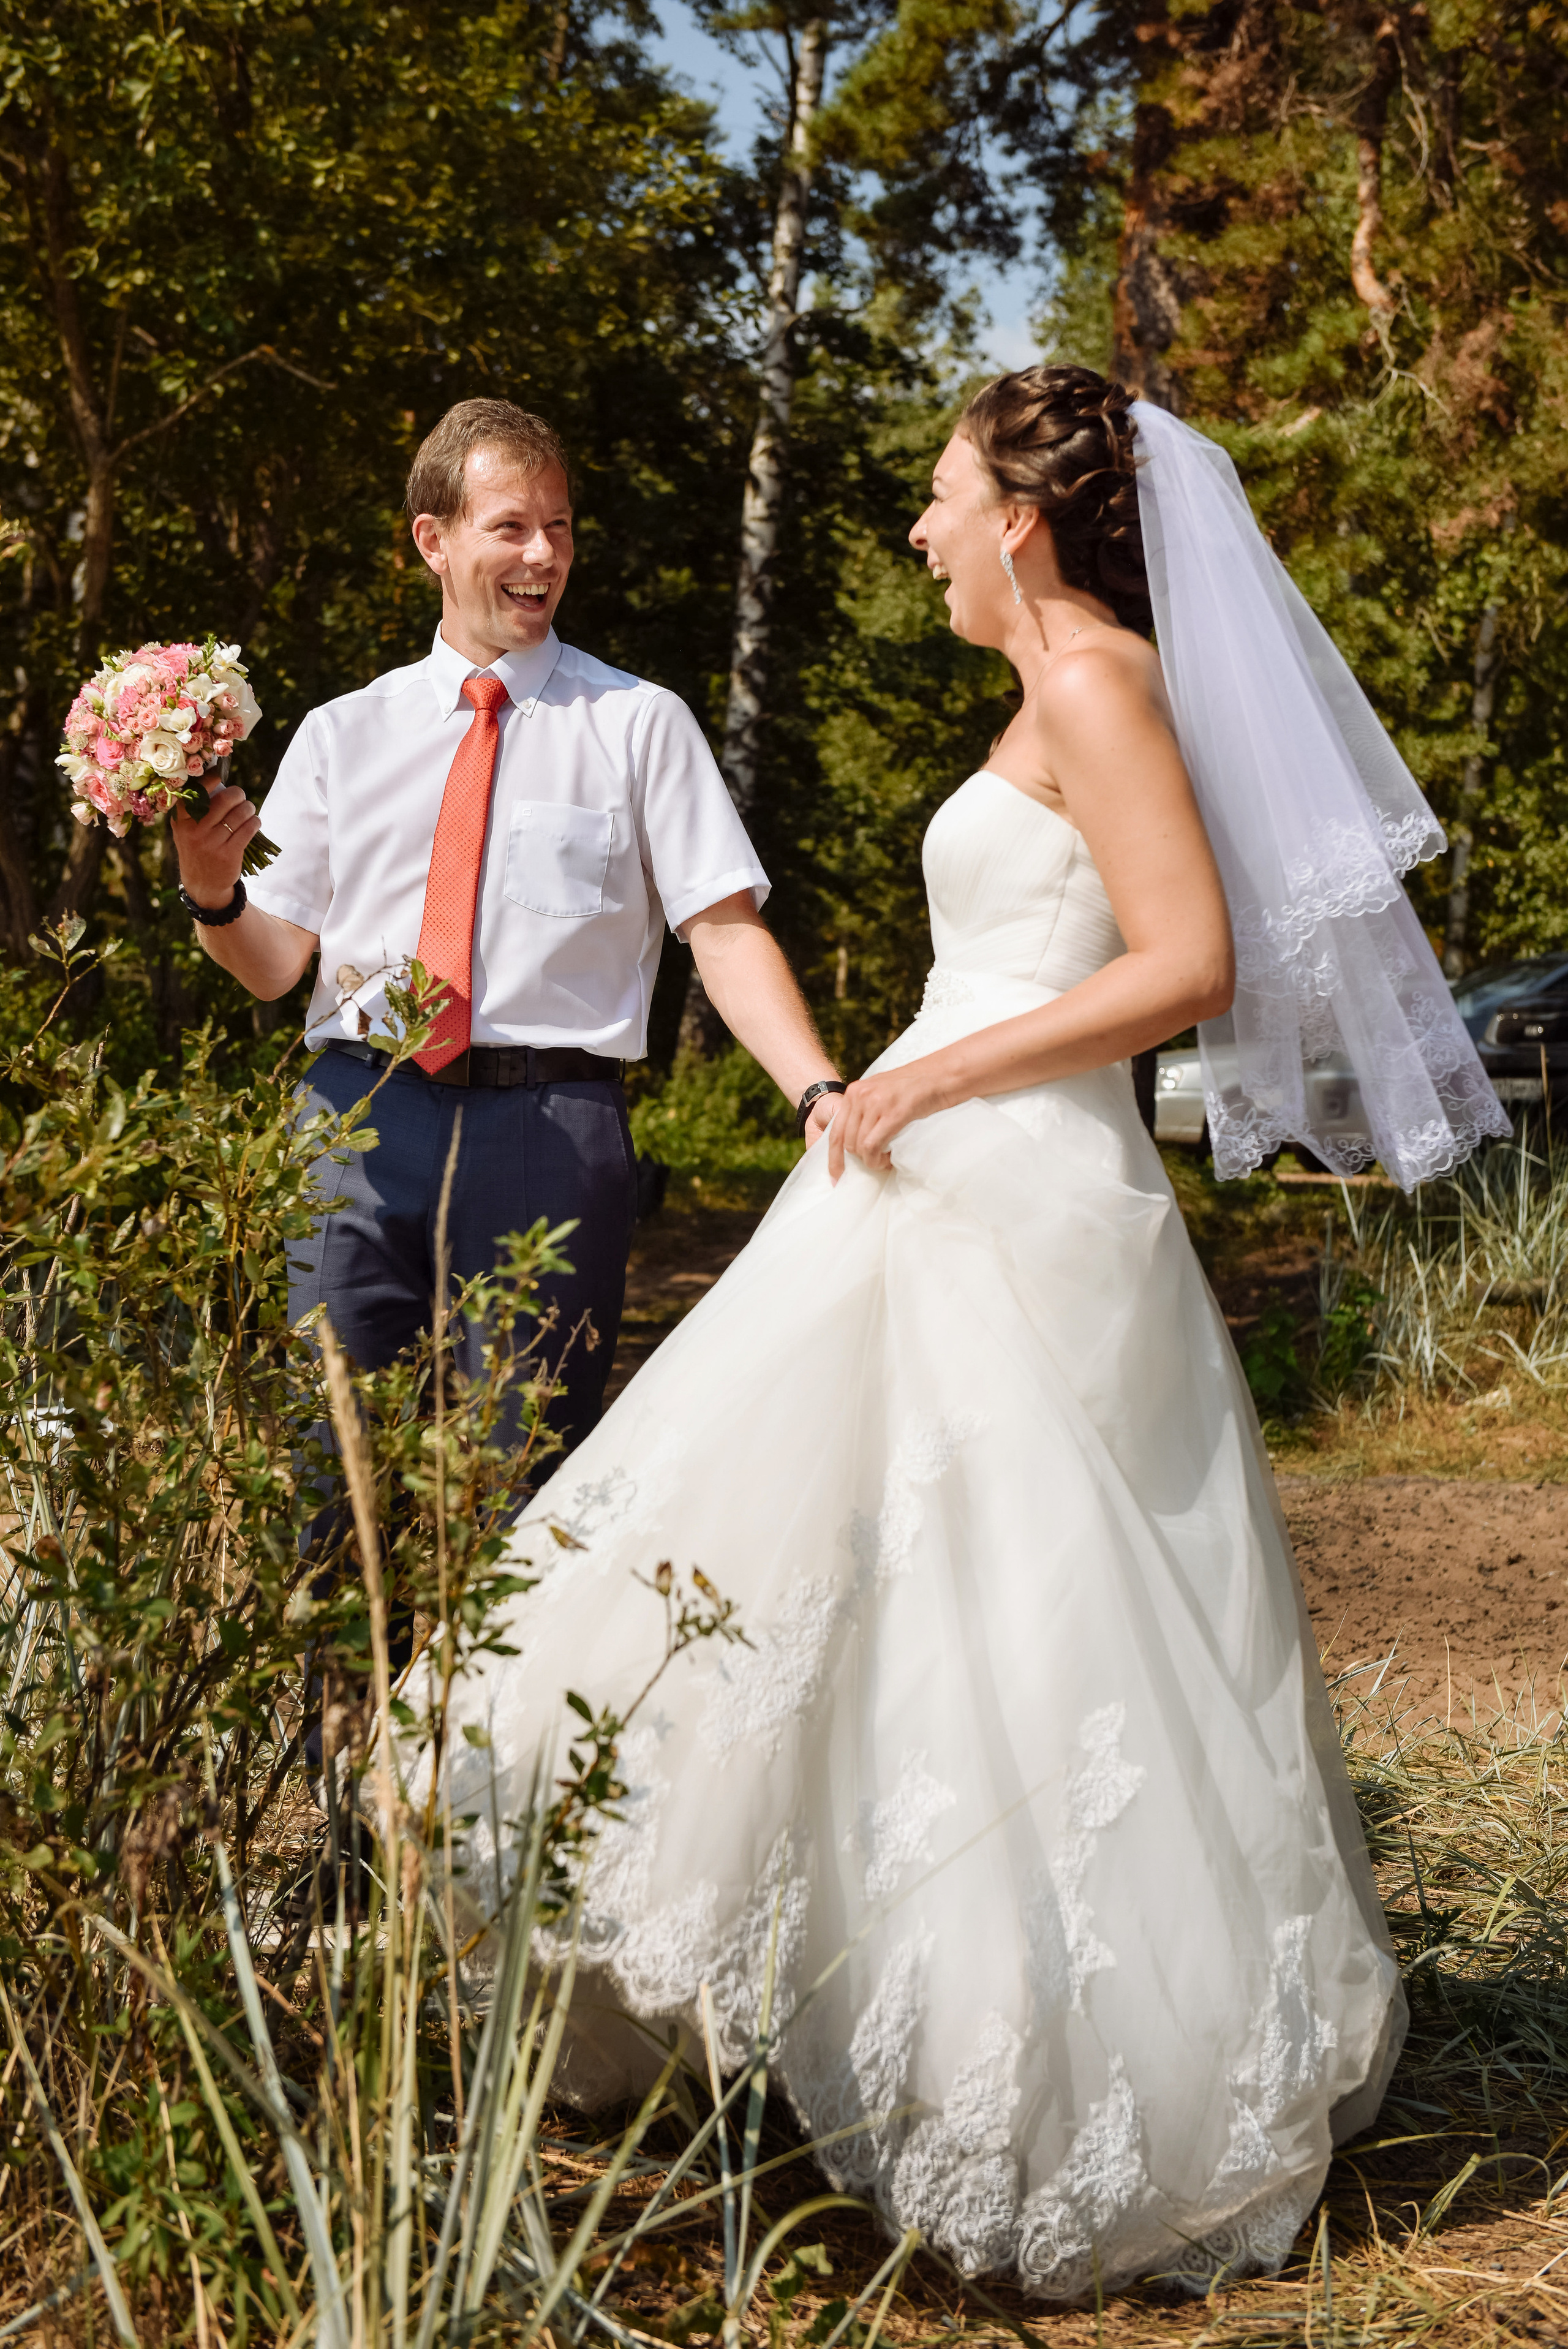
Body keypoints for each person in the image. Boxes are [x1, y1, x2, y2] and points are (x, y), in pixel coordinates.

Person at [415, 370, 1507, 2299]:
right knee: (849, 1567)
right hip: (939, 1153)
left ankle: (1036, 2068)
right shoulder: (1052, 689)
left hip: (1010, 1175)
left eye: (936, 496)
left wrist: (933, 1078)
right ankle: (841, 1987)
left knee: (1013, 1599)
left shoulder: (1094, 680)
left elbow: (1186, 963)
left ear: (1020, 515)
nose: (918, 531)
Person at [171, 398, 842, 1461]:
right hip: (356, 1120)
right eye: (512, 527)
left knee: (525, 1474)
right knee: (332, 1468)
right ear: (433, 539)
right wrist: (214, 893)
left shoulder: (640, 723)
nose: (544, 555)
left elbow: (722, 928)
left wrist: (818, 1089)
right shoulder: (343, 734)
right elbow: (272, 967)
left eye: (561, 527)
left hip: (553, 1135)